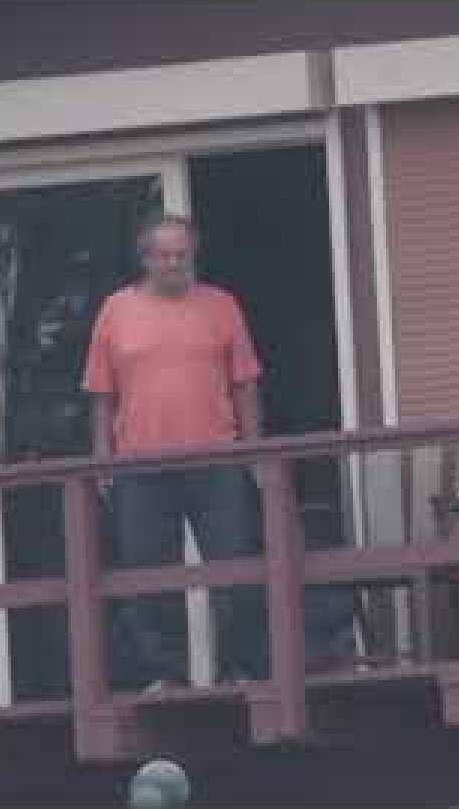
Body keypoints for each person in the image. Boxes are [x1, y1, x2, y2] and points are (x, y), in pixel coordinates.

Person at [82, 213, 268, 690]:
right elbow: (101, 394)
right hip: (140, 465)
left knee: (234, 569)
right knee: (147, 574)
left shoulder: (221, 305)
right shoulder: (116, 310)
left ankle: (239, 669)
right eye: (164, 255)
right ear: (145, 259)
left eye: (181, 254)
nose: (173, 263)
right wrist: (103, 456)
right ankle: (163, 675)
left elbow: (245, 382)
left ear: (193, 255)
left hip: (217, 459)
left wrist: (253, 450)